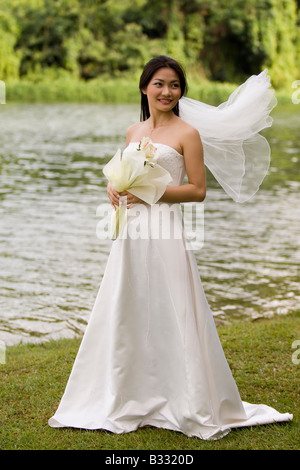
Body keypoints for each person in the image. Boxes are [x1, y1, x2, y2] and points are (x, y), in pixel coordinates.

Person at [48, 56, 292, 440]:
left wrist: (151, 194)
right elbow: (124, 174)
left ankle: (185, 397)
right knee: (129, 304)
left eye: (175, 85)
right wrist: (114, 188)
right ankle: (129, 393)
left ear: (181, 91)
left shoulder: (187, 133)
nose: (167, 91)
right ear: (145, 87)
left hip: (164, 228)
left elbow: (197, 190)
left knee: (172, 305)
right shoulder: (133, 130)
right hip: (131, 234)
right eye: (159, 84)